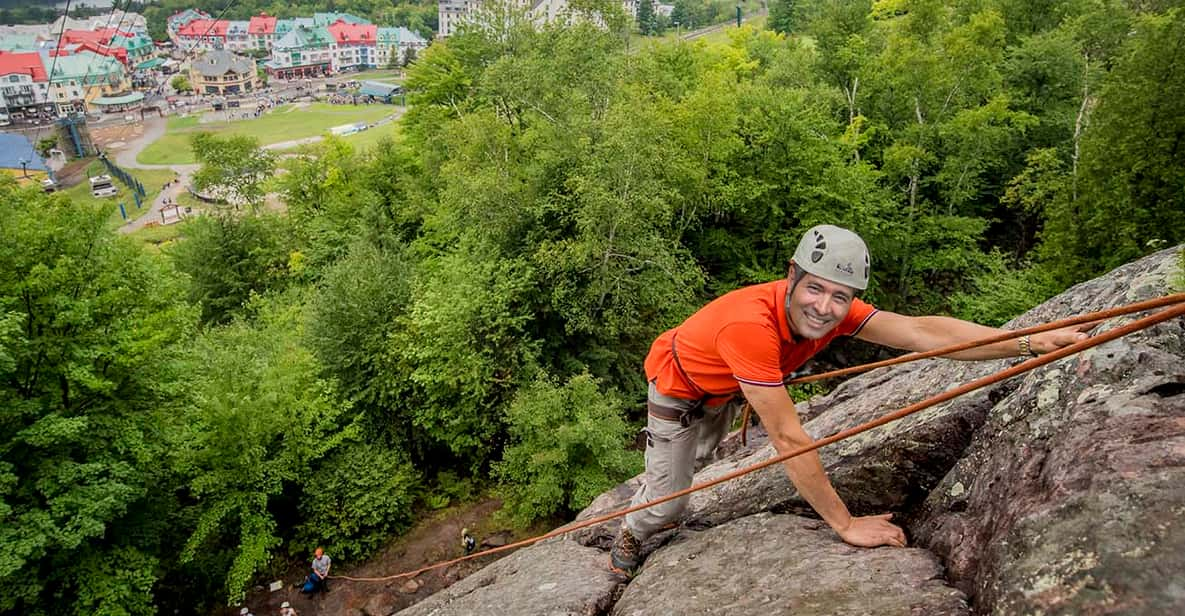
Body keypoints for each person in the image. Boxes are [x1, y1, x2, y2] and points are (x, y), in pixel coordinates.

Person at [608, 224, 1092, 575]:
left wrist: (1027, 341)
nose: (824, 307)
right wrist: (845, 523)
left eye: (840, 296)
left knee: (695, 460)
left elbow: (921, 331)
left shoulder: (836, 309)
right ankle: (631, 530)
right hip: (679, 389)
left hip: (723, 387)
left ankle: (662, 481)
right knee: (671, 502)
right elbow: (786, 436)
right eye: (814, 289)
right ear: (791, 276)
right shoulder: (750, 328)